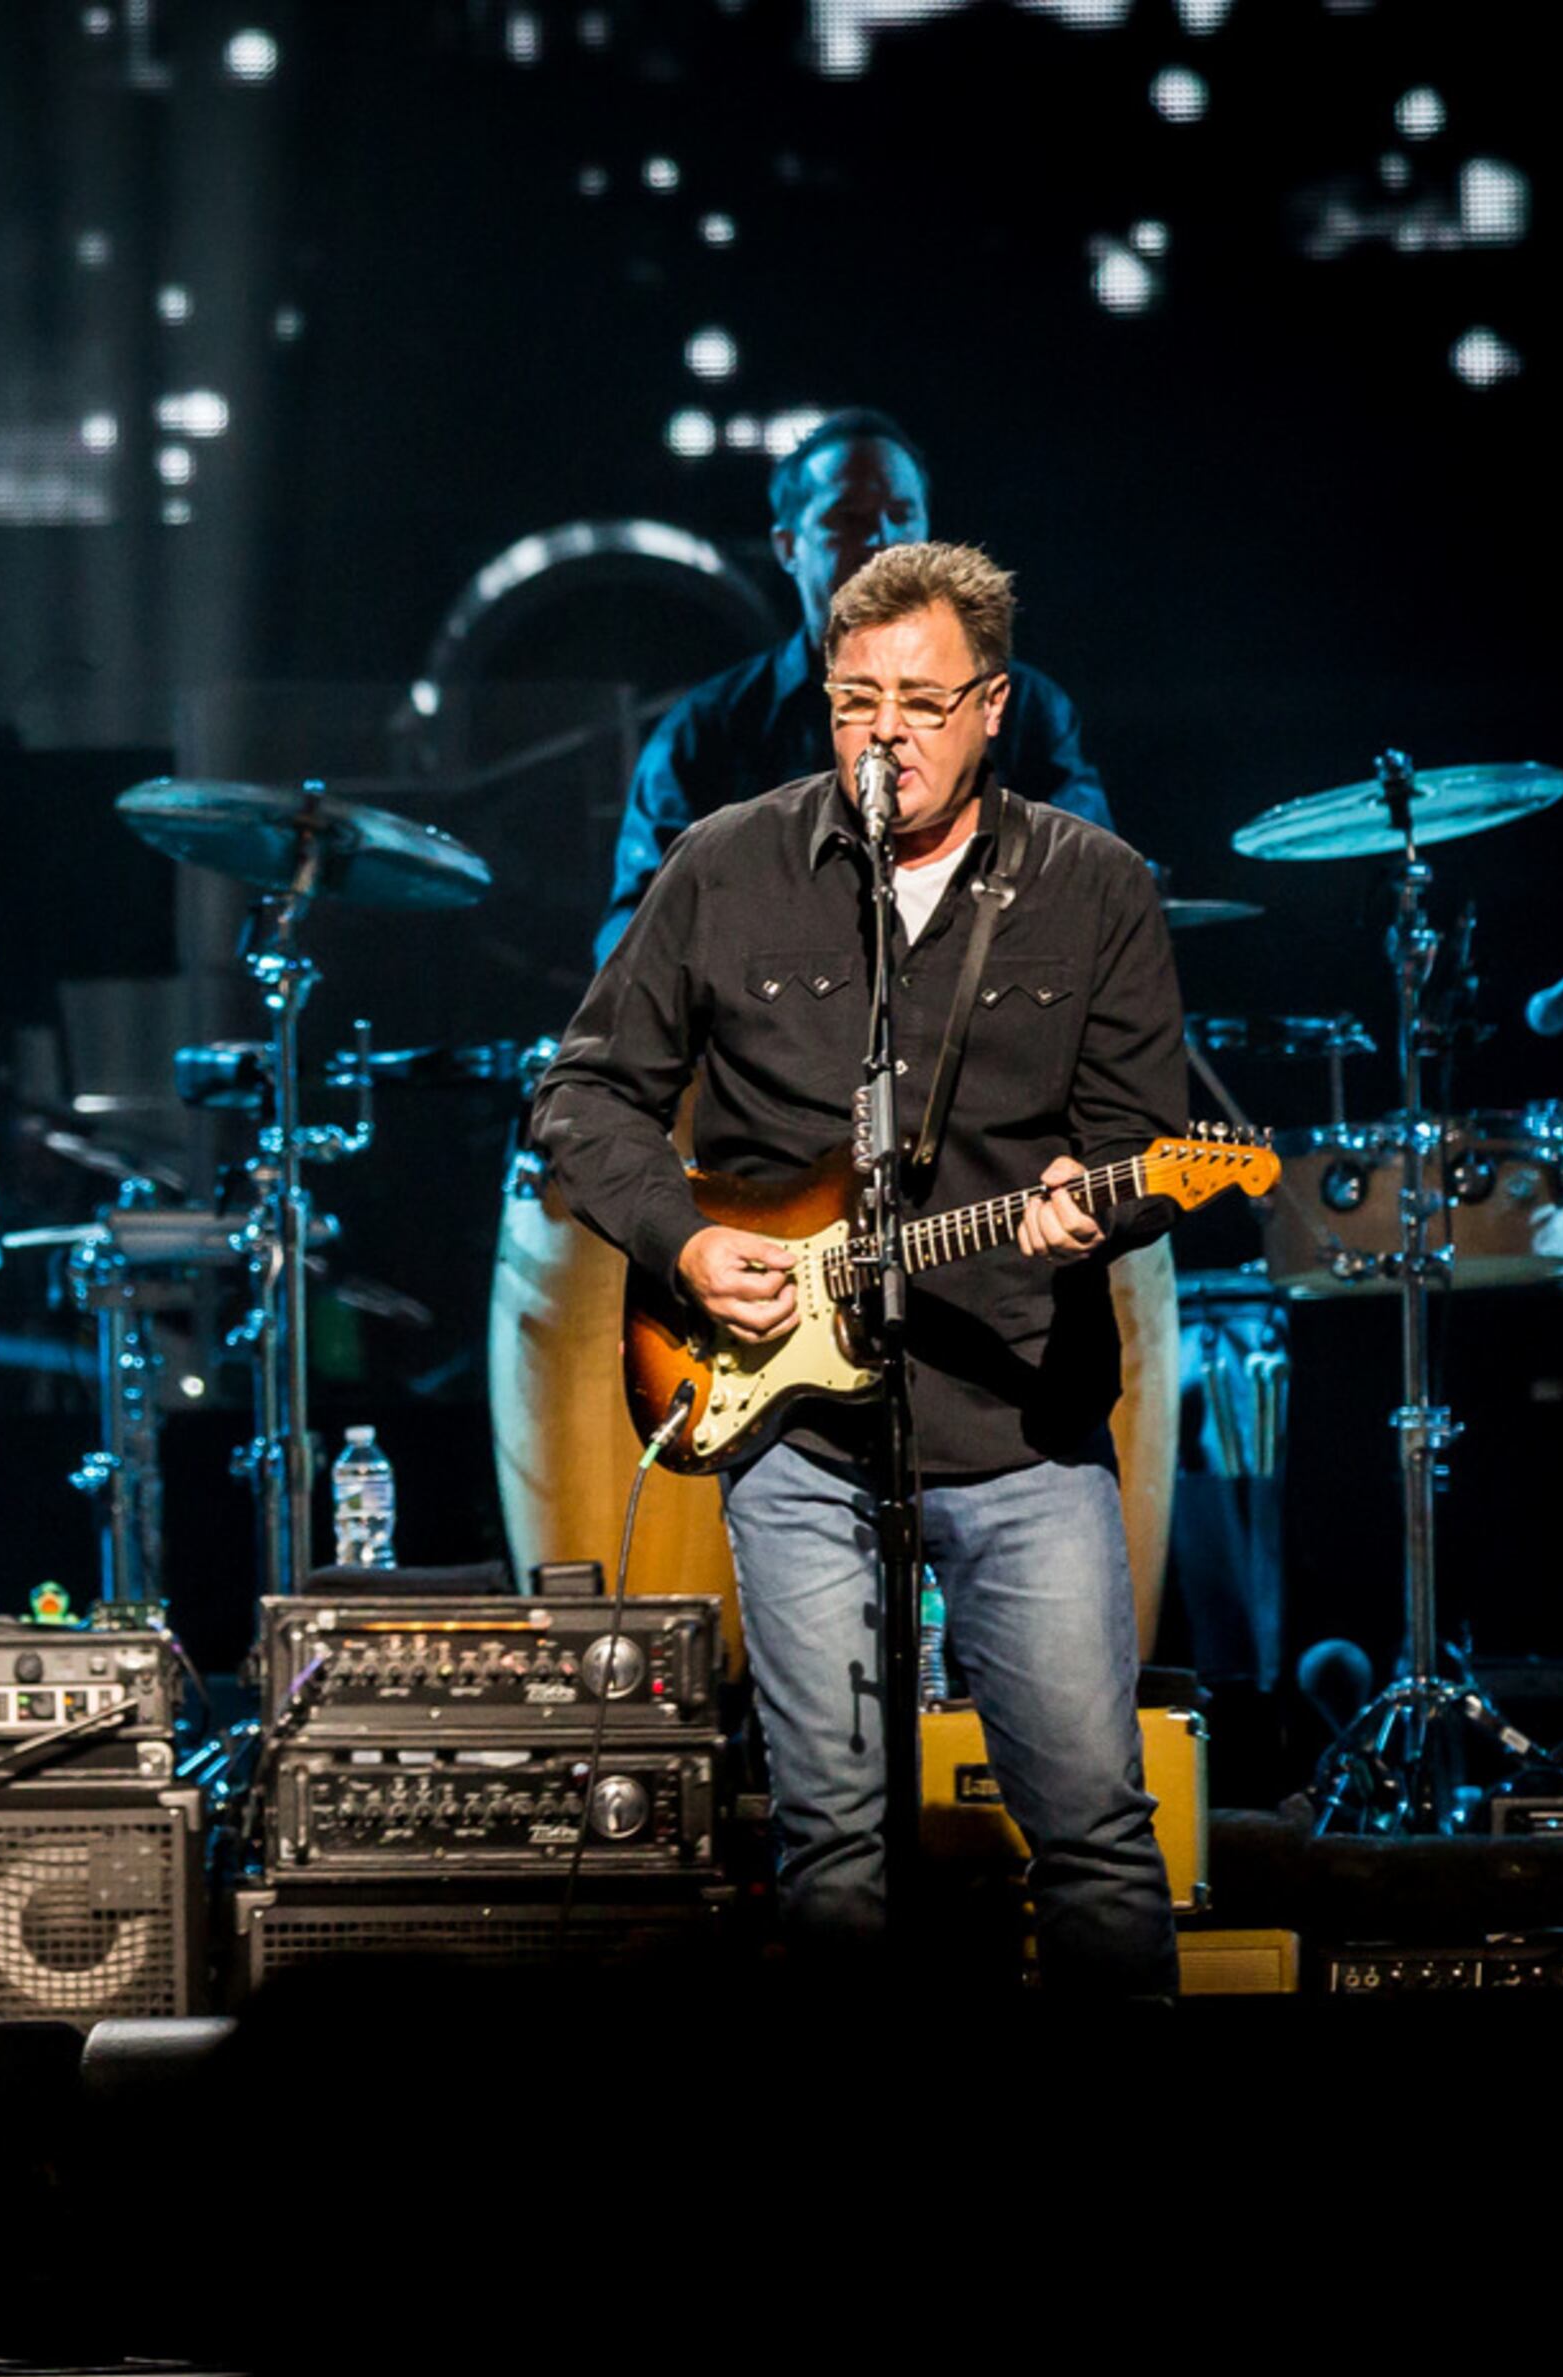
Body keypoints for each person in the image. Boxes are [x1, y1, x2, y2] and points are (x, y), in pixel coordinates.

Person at [530, 541, 1184, 1994]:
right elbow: (582, 1098)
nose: (885, 732)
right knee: (829, 1841)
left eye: (923, 701)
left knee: (1091, 1828)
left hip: (1020, 1417)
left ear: (994, 706)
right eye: (854, 701)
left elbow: (1145, 1139)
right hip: (797, 1427)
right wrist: (690, 1242)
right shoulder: (726, 863)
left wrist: (1105, 1203)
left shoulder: (1095, 888)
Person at [594, 408, 1108, 966]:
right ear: (788, 547)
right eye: (849, 519)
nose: (884, 541)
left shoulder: (1023, 709)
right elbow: (637, 929)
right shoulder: (704, 731)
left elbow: (1088, 888)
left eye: (901, 515)